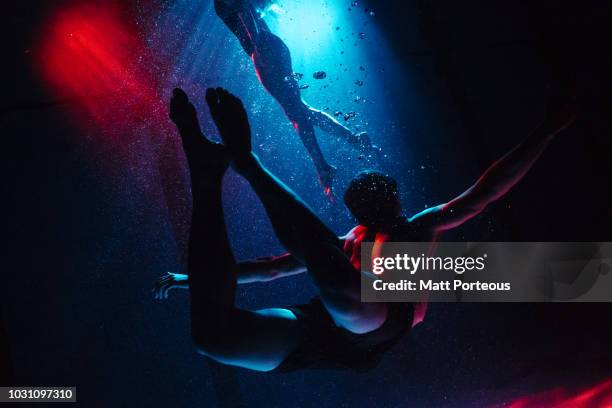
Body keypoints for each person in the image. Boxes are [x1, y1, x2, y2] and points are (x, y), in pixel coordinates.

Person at [154, 86, 576, 372]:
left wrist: (546, 131)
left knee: (329, 266)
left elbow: (484, 192)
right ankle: (207, 177)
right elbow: (270, 270)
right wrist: (192, 280)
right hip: (327, 331)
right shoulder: (354, 237)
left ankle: (248, 165)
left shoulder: (416, 229)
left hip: (382, 315)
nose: (387, 210)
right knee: (211, 337)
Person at [214, 0, 380, 197]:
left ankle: (325, 164)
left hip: (264, 51)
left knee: (295, 113)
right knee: (300, 109)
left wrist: (260, 49)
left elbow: (247, 16)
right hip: (267, 49)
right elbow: (248, 15)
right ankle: (351, 143)